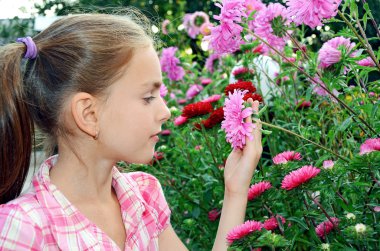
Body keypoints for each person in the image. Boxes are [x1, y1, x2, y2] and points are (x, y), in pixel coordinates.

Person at [0, 12, 262, 251]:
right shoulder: (24, 230)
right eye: (148, 97)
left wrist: (235, 190)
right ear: (89, 115)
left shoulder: (145, 195)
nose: (166, 111)